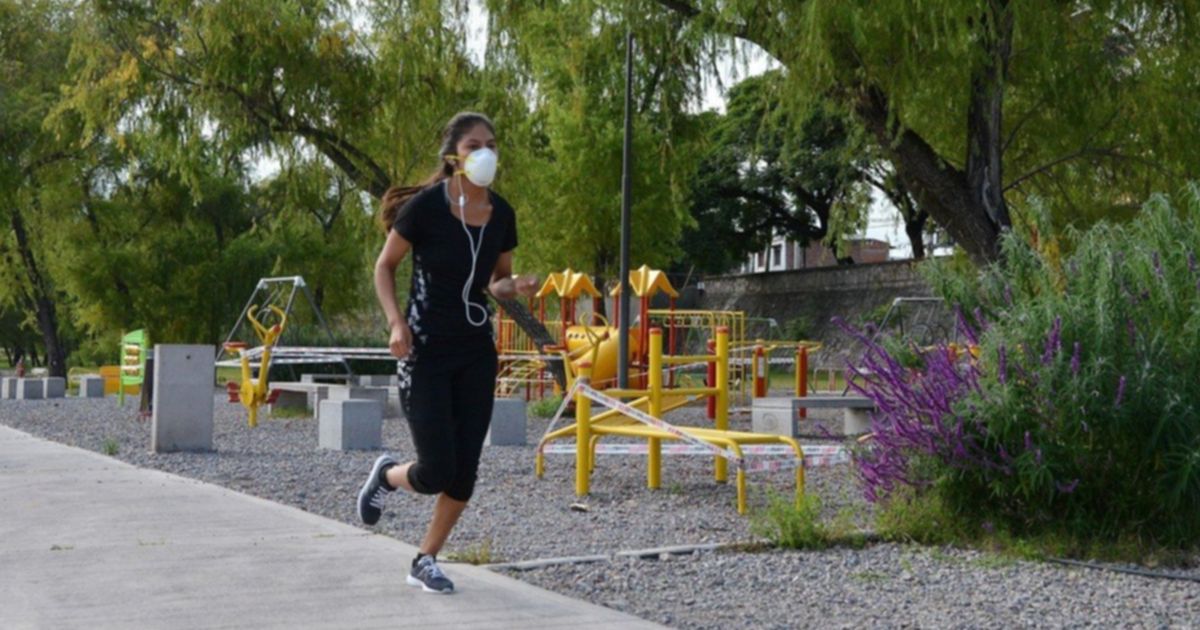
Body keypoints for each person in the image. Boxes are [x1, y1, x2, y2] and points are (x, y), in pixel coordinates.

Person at [358, 112, 538, 594]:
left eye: (492, 144)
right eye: (475, 144)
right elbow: (385, 266)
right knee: (435, 469)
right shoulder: (424, 208)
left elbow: (494, 285)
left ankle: (425, 558)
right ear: (453, 155)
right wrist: (396, 322)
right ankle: (388, 475)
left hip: (476, 351)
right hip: (425, 349)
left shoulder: (502, 213)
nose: (486, 152)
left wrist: (514, 286)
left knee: (465, 470)